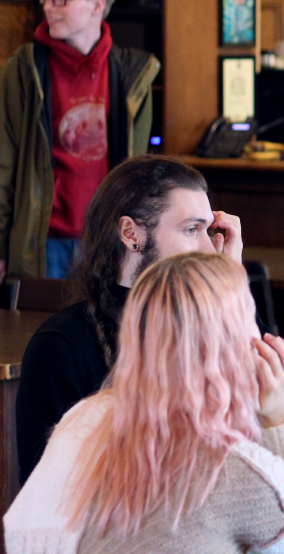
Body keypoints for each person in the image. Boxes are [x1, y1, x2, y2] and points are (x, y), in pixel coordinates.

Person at [5, 252, 284, 554]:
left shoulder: (81, 419)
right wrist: (278, 420)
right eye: (250, 315)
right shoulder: (232, 466)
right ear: (232, 339)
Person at [16, 155, 245, 484]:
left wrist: (231, 285)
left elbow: (273, 421)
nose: (210, 249)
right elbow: (43, 494)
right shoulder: (63, 346)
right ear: (131, 233)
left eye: (209, 230)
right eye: (191, 229)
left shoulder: (213, 320)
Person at [0, 0, 159, 281]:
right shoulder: (24, 69)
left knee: (101, 332)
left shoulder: (132, 73)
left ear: (97, 6)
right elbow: (3, 165)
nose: (48, 6)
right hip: (41, 243)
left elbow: (138, 174)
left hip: (106, 242)